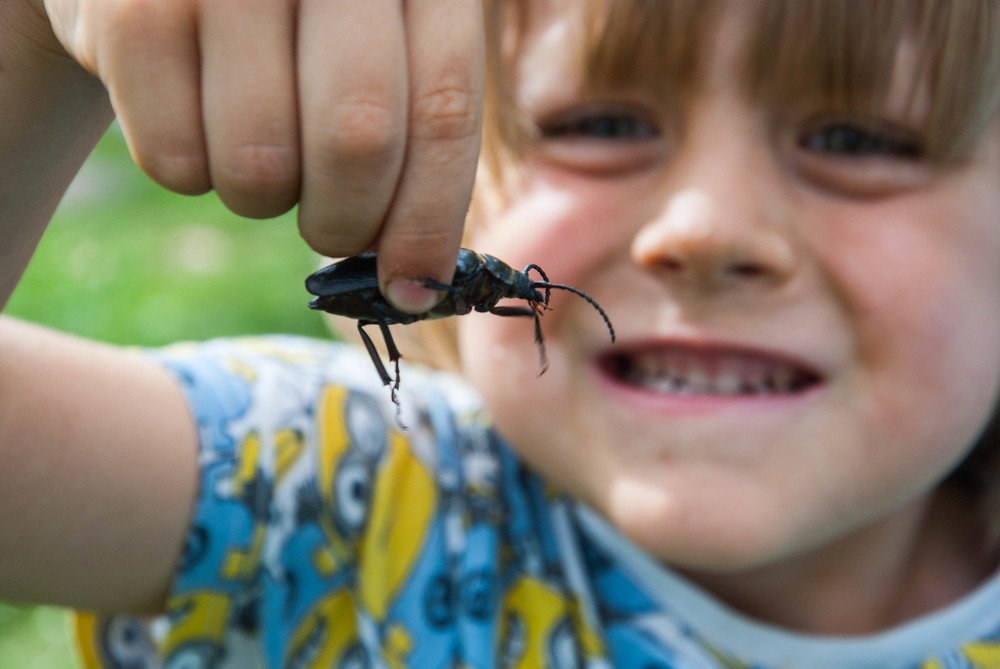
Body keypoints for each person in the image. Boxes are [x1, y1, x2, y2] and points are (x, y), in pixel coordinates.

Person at [2, 0, 1000, 666]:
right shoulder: (329, 486)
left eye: (859, 142)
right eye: (598, 126)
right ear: (460, 189)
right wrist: (29, 39)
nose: (703, 231)